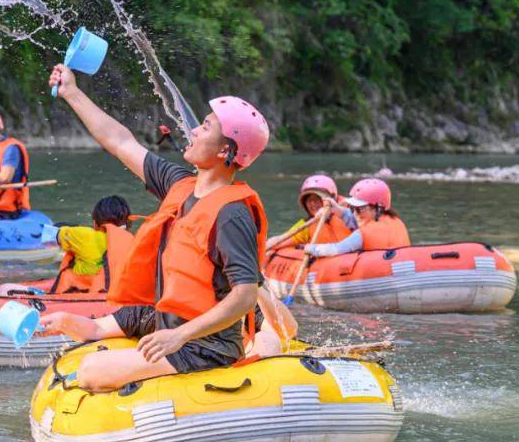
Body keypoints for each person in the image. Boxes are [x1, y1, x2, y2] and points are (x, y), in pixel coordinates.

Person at [37, 63, 271, 392]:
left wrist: (179, 335)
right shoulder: (180, 185)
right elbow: (120, 142)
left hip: (207, 349)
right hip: (172, 327)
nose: (193, 132)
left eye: (205, 127)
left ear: (224, 150)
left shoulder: (232, 214)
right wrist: (72, 93)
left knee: (91, 371)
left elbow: (246, 294)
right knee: (108, 340)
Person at [303, 178, 411, 257]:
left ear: (378, 207)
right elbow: (352, 218)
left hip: (379, 274)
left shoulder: (363, 234)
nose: (355, 213)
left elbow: (335, 249)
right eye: (352, 208)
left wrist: (309, 248)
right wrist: (335, 208)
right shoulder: (395, 220)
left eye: (359, 209)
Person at [49, 195, 134, 293]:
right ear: (128, 224)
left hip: (79, 296)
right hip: (115, 295)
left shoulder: (84, 235)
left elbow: (53, 235)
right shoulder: (132, 241)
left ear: (95, 223)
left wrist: (73, 230)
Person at [265, 174, 355, 252]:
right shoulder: (307, 225)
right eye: (309, 200)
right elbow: (280, 240)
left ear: (332, 197)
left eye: (317, 199)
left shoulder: (352, 210)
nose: (312, 204)